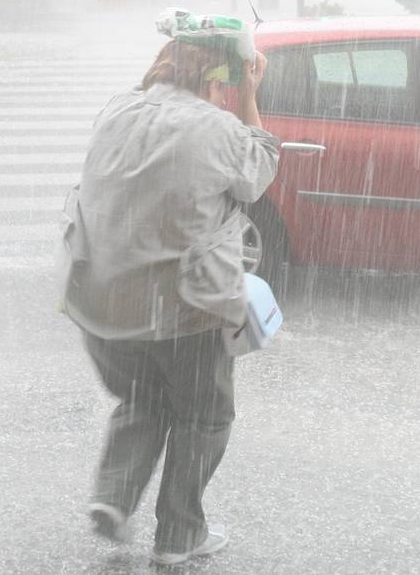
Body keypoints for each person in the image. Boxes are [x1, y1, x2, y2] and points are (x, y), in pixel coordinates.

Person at [63, 33, 278, 567]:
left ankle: (112, 498)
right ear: (217, 81)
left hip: (100, 300)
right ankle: (179, 536)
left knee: (144, 398)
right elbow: (259, 171)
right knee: (204, 414)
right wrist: (251, 94)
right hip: (184, 308)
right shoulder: (218, 128)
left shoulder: (116, 111)